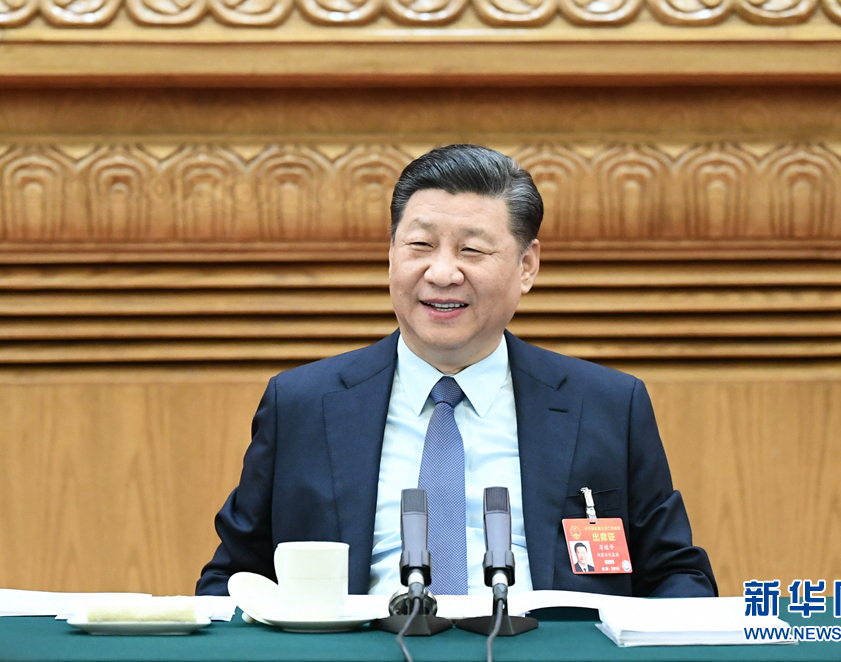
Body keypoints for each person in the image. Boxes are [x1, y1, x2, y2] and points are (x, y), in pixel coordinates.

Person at [196, 144, 716, 599]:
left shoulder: (607, 406)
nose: (442, 273)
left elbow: (676, 574)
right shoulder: (301, 405)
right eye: (420, 246)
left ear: (527, 266)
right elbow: (234, 578)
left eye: (472, 249)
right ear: (391, 255)